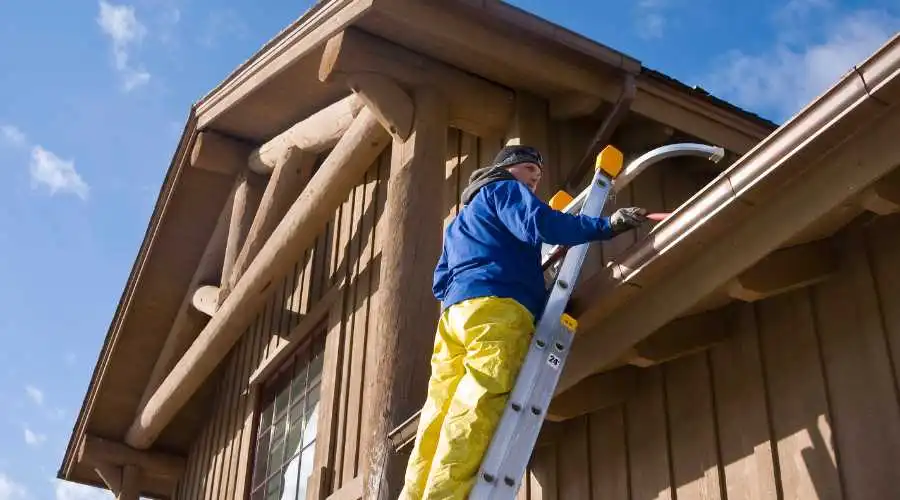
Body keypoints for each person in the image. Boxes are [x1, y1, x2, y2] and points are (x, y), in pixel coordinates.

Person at [398, 145, 648, 500]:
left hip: (455, 317)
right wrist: (606, 225)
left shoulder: (460, 222)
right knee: (477, 405)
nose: (535, 178)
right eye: (530, 168)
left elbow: (440, 281)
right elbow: (539, 223)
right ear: (507, 169)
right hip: (498, 309)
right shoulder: (504, 189)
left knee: (438, 413)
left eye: (539, 173)